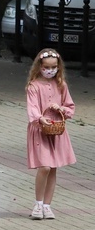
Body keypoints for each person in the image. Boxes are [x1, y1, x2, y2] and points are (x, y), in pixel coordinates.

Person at [25, 48, 76, 220]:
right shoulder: (33, 86)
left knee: (53, 168)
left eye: (54, 67)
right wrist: (40, 118)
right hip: (41, 130)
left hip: (57, 130)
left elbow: (70, 107)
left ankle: (48, 205)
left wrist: (60, 108)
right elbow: (32, 108)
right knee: (44, 167)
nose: (50, 70)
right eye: (46, 67)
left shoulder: (61, 85)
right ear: (40, 66)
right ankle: (38, 203)